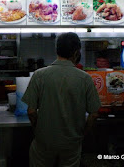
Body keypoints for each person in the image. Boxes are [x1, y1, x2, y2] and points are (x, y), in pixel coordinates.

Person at [22, 32, 101, 167]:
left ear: (57, 50)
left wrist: (38, 130)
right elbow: (94, 114)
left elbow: (31, 111)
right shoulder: (85, 78)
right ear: (77, 52)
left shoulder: (39, 75)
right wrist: (82, 135)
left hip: (44, 142)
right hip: (71, 143)